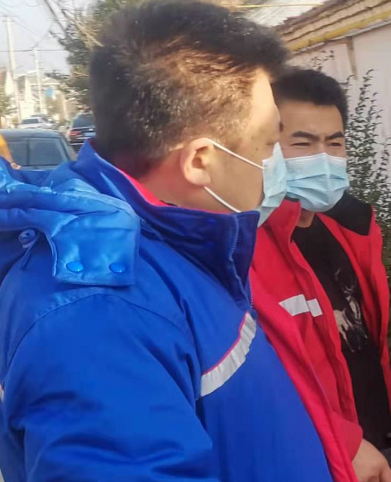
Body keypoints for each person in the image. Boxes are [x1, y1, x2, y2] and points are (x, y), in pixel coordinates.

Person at [0, 2, 353, 481]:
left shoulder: (180, 247)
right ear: (200, 161)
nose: (278, 166)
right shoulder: (99, 313)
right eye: (269, 145)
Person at [249, 68, 391, 482]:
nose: (323, 157)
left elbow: (368, 356)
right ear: (265, 146)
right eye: (303, 143)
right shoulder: (244, 250)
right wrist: (344, 442)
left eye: (334, 142)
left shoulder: (352, 232)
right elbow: (259, 386)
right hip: (313, 461)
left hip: (378, 456)